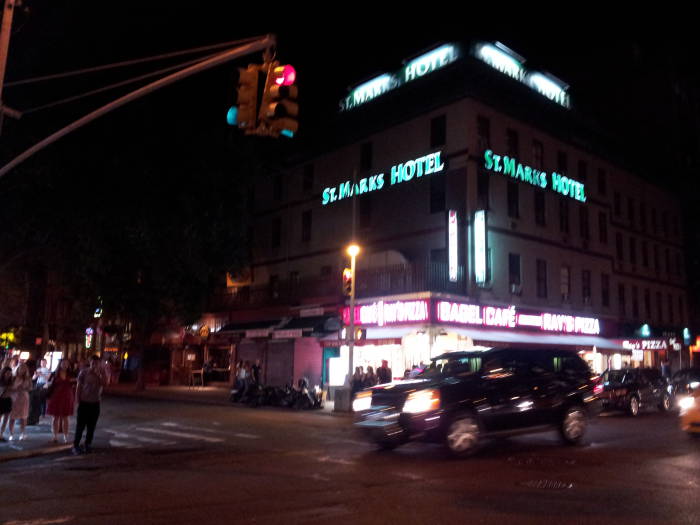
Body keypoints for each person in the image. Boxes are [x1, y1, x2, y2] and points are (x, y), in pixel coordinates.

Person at [72, 355, 105, 454]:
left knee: (92, 426)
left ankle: (88, 444)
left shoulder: (101, 373)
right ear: (90, 362)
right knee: (80, 425)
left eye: (96, 363)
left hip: (95, 402)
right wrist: (77, 399)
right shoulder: (84, 372)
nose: (94, 364)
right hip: (84, 402)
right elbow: (79, 386)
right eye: (92, 362)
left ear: (99, 363)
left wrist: (99, 374)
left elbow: (106, 383)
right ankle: (76, 445)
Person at [46, 359, 75, 443]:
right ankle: (55, 436)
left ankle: (66, 436)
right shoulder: (54, 374)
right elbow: (49, 384)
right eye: (63, 363)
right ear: (60, 364)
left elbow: (76, 383)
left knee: (65, 417)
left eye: (67, 363)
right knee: (55, 417)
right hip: (56, 396)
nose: (65, 365)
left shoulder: (72, 373)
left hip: (67, 396)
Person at [9, 363, 33, 440]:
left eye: (24, 369)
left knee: (24, 416)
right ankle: (11, 434)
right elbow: (9, 387)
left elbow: (30, 388)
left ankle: (22, 433)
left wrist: (24, 388)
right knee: (12, 416)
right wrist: (15, 388)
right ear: (18, 369)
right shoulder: (13, 377)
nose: (22, 370)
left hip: (24, 397)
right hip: (14, 397)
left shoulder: (27, 378)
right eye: (21, 368)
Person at [0, 367, 13, 441]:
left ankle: (1, 434)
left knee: (6, 418)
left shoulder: (11, 381)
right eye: (7, 373)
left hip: (8, 400)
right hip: (1, 400)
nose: (9, 375)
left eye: (10, 373)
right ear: (4, 373)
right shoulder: (1, 381)